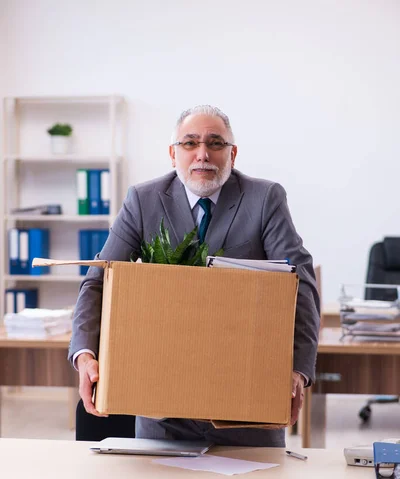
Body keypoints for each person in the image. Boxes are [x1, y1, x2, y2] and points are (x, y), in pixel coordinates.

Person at [69, 105, 320, 447]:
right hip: (163, 407)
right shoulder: (143, 200)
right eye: (190, 143)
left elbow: (300, 282)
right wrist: (84, 354)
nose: (203, 154)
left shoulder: (265, 199)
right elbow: (99, 279)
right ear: (173, 154)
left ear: (233, 153)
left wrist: (299, 371)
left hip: (246, 404)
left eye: (215, 143)